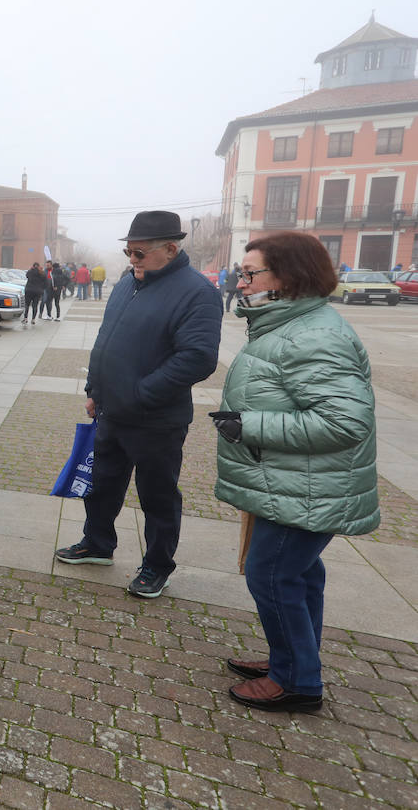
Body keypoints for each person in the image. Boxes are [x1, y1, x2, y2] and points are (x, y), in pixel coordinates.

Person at [212, 232, 379, 712]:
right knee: (298, 575)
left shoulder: (314, 335)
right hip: (293, 483)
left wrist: (249, 425)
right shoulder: (290, 326)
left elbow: (344, 421)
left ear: (288, 277)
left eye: (250, 274)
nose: (240, 283)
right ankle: (289, 659)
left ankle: (298, 682)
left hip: (307, 487)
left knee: (272, 576)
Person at [56, 211, 222, 598]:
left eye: (139, 253)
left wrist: (140, 394)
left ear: (170, 248)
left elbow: (198, 358)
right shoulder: (127, 283)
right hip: (112, 412)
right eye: (129, 252)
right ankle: (97, 544)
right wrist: (94, 388)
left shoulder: (197, 291)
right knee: (102, 484)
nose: (132, 259)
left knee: (158, 496)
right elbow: (105, 340)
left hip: (156, 419)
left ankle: (157, 565)